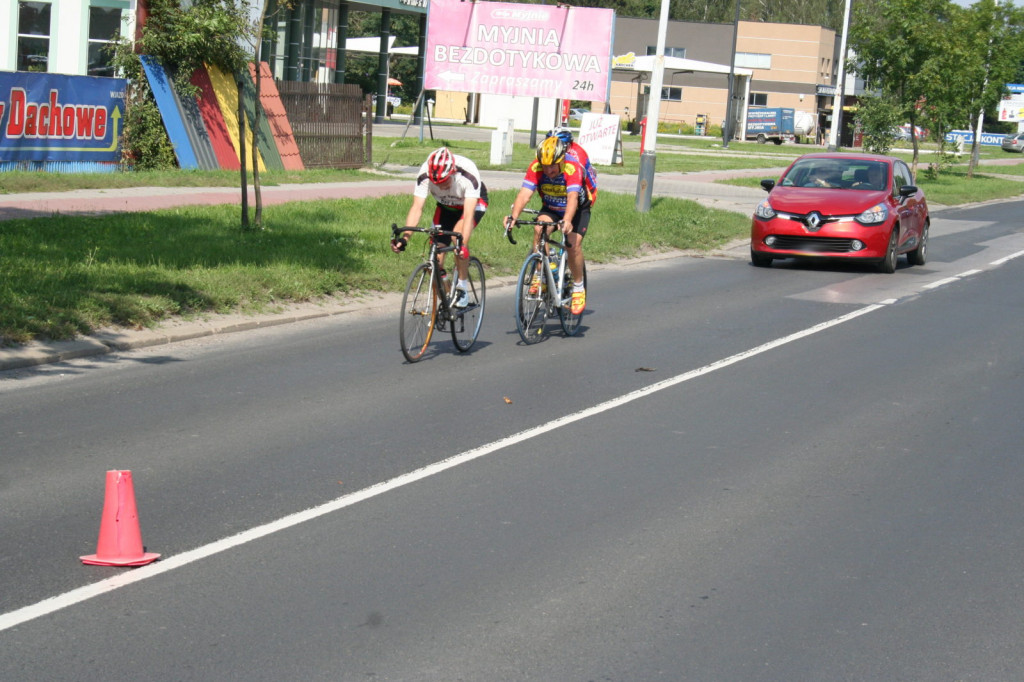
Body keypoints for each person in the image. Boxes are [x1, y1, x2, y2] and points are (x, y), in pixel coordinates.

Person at [504, 135, 592, 316]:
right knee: (539, 229)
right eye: (545, 165)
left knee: (572, 244)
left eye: (552, 165)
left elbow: (572, 198)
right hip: (551, 207)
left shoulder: (572, 167)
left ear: (561, 161)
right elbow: (524, 195)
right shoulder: (536, 167)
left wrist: (567, 220)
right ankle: (540, 275)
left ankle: (577, 287)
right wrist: (513, 217)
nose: (548, 170)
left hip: (575, 209)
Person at [391, 147, 488, 308]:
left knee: (457, 236)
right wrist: (404, 238)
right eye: (437, 183)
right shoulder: (425, 174)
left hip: (472, 205)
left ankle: (462, 288)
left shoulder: (468, 175)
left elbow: (469, 214)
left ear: (452, 172)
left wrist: (462, 245)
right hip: (446, 208)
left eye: (444, 182)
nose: (441, 187)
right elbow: (417, 208)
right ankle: (448, 295)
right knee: (434, 263)